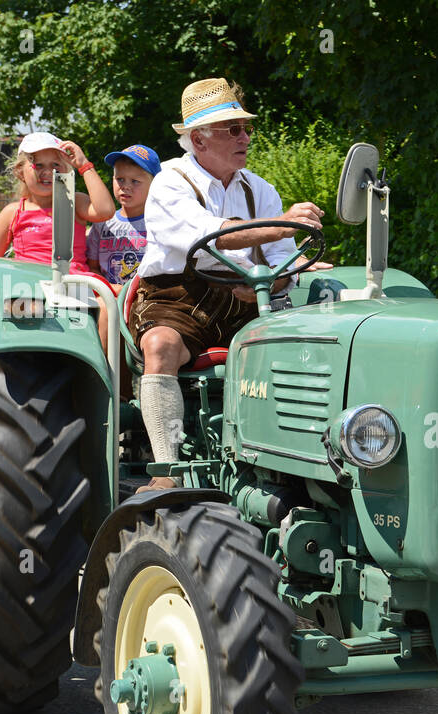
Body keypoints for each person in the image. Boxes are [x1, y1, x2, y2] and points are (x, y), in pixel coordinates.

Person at [130, 77, 330, 492]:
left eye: (247, 128)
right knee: (161, 345)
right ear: (198, 140)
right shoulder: (169, 182)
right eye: (233, 129)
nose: (245, 137)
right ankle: (167, 471)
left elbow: (282, 263)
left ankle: (296, 465)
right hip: (177, 295)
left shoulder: (261, 190)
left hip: (247, 296)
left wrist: (276, 283)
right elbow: (213, 235)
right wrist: (280, 228)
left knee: (302, 349)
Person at [0, 132, 117, 348]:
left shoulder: (75, 200)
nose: (48, 172)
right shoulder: (13, 212)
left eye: (55, 164)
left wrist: (84, 165)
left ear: (65, 169)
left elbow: (106, 210)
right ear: (20, 172)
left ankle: (101, 375)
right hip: (31, 287)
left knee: (111, 307)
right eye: (38, 165)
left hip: (73, 284)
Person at [86, 144, 160, 286]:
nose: (126, 186)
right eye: (120, 179)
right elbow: (93, 266)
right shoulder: (103, 222)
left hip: (148, 297)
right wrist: (110, 290)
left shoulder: (159, 222)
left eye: (135, 181)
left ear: (155, 184)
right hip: (109, 297)